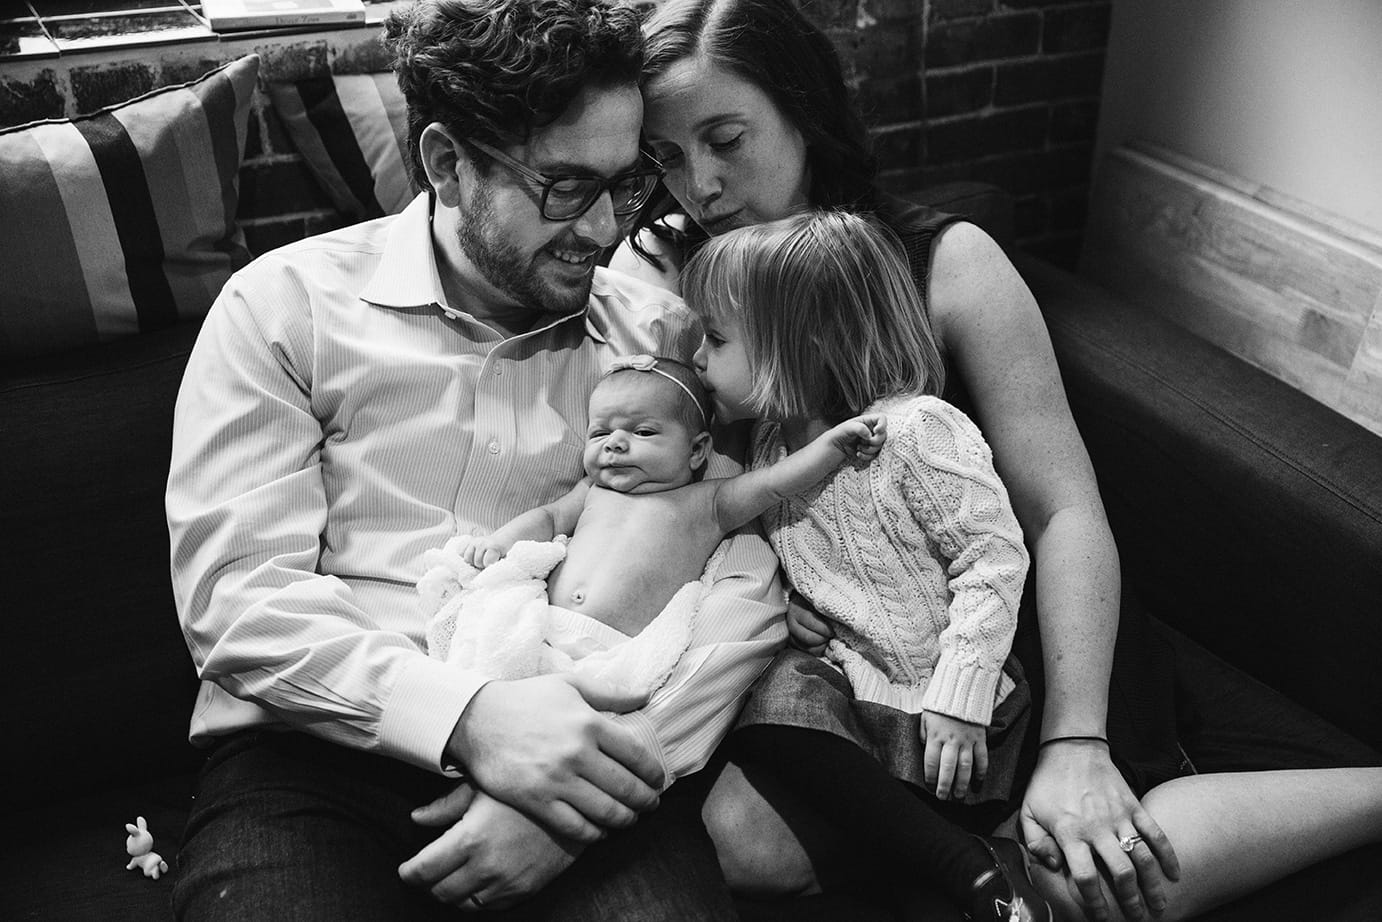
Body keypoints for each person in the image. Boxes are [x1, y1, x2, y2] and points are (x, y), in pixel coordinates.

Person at [612, 1, 1382, 919]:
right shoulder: (691, 281)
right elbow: (708, 490)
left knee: (1092, 876)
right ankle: (971, 850)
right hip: (863, 650)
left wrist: (1076, 743)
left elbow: (1062, 510)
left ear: (802, 110)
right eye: (667, 155)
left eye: (726, 139)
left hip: (1008, 626)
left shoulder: (949, 262)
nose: (699, 185)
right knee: (741, 843)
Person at [165, 1, 787, 919]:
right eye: (565, 186)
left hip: (588, 743)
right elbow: (237, 598)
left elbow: (730, 589)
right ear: (448, 163)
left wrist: (594, 789)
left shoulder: (661, 343)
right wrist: (469, 717)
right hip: (312, 753)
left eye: (624, 185)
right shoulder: (284, 308)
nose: (604, 228)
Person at [684, 207, 1051, 921]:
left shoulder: (915, 429)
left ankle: (970, 868)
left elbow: (995, 557)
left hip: (949, 712)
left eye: (717, 338)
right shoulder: (767, 453)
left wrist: (961, 695)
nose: (698, 357)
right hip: (854, 704)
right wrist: (795, 606)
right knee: (765, 701)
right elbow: (808, 561)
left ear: (806, 343)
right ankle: (954, 863)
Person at [422, 354, 884, 701]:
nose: (615, 444)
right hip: (541, 630)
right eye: (600, 433)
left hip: (614, 656)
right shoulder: (591, 491)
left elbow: (775, 482)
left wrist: (832, 446)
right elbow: (548, 518)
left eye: (643, 432)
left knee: (575, 718)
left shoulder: (708, 504)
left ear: (697, 451)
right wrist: (501, 542)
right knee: (489, 674)